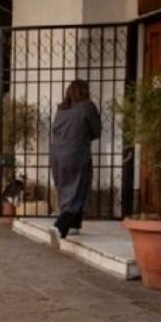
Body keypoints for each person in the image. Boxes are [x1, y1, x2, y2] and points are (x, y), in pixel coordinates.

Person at [50, 79, 101, 239]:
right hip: (76, 153)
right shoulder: (87, 107)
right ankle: (61, 226)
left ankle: (74, 225)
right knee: (79, 187)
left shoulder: (61, 110)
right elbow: (96, 131)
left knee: (64, 187)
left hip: (57, 154)